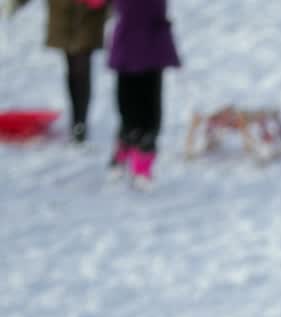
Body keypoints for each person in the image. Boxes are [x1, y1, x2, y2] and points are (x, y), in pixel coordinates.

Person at [10, 0, 110, 144]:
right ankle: (77, 121)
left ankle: (80, 123)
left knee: (80, 63)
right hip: (64, 9)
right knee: (72, 64)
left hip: (88, 11)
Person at [106, 0, 180, 186]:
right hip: (131, 39)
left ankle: (142, 160)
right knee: (128, 103)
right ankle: (127, 145)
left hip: (150, 38)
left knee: (147, 107)